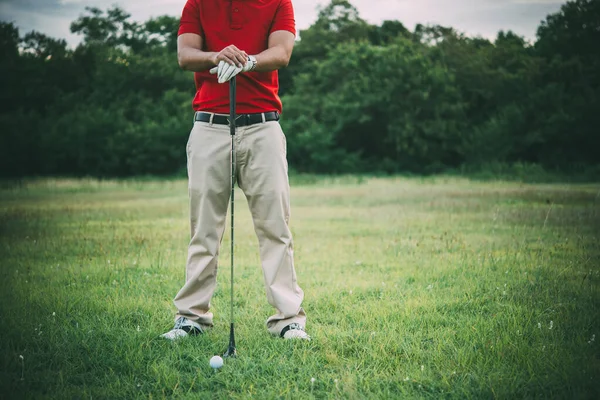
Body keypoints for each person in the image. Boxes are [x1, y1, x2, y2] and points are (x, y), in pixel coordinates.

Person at [162, 0, 309, 341]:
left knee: (276, 227)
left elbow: (282, 52)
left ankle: (288, 319)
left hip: (263, 128)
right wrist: (217, 57)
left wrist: (247, 61)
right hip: (209, 127)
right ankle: (191, 318)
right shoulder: (197, 2)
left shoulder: (278, 2)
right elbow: (185, 55)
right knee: (204, 230)